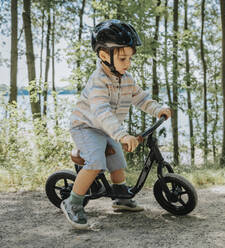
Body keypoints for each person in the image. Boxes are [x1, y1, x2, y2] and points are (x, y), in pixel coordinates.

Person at [61, 19, 171, 229]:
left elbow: (141, 99)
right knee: (95, 162)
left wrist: (158, 109)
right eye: (123, 58)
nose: (128, 63)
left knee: (118, 158)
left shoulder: (126, 78)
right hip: (86, 126)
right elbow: (101, 112)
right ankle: (72, 203)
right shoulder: (98, 82)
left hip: (106, 128)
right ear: (104, 55)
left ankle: (121, 196)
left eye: (130, 57)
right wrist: (122, 134)